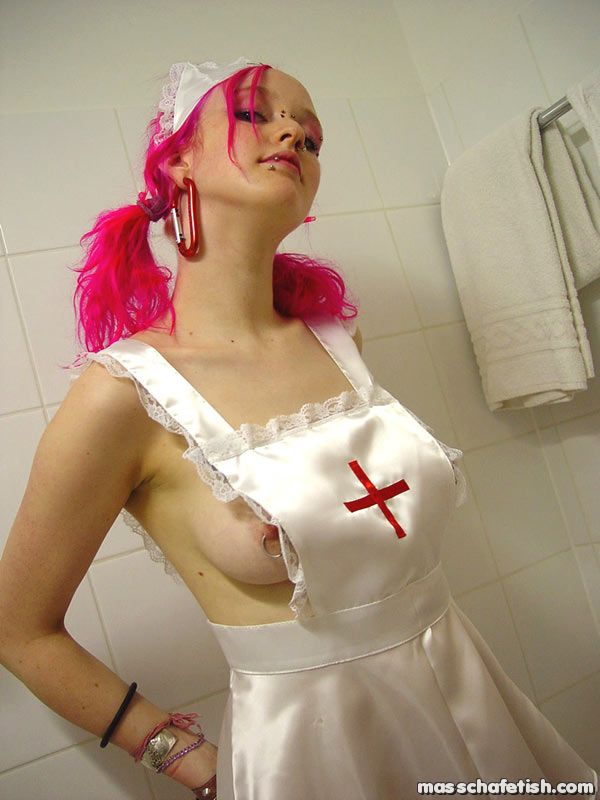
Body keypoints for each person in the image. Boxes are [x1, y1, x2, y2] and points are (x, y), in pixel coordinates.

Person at [0, 58, 597, 800]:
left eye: (311, 136)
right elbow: (19, 630)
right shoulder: (123, 396)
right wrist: (192, 763)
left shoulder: (339, 344)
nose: (292, 134)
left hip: (471, 697)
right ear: (177, 160)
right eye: (255, 114)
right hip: (312, 757)